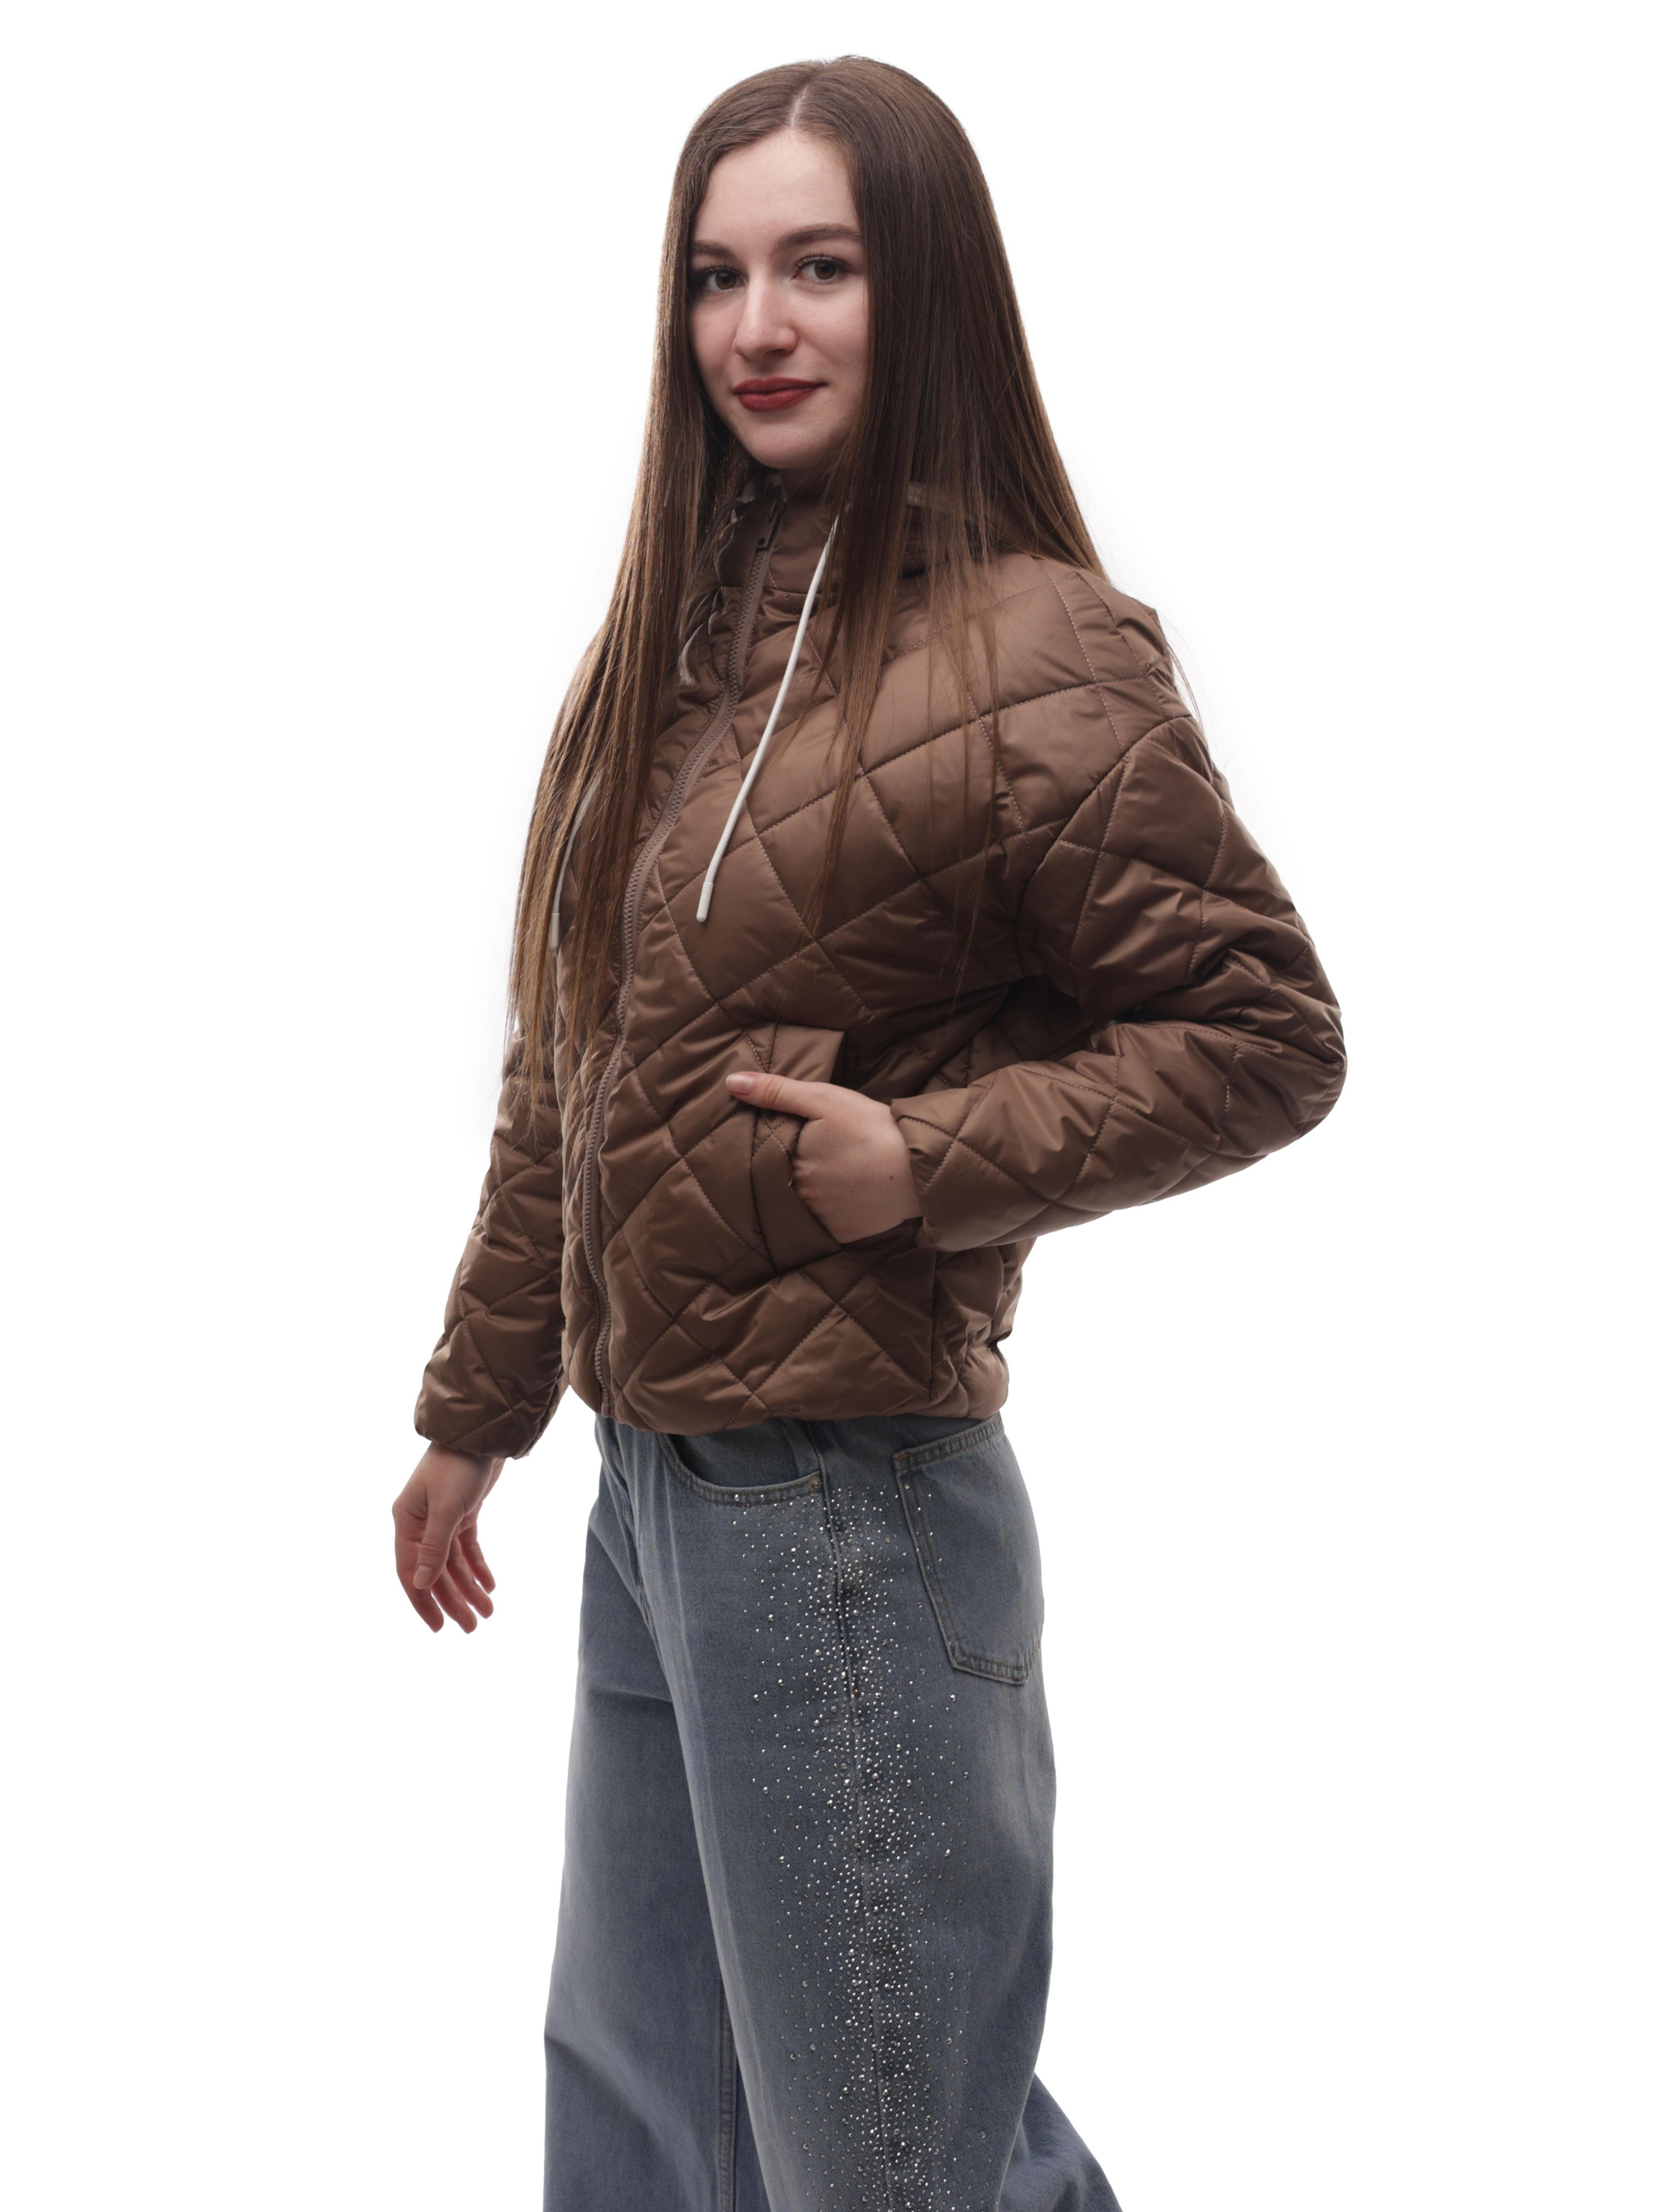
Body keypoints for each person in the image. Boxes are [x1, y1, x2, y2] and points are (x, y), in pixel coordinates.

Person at [392, 55, 1345, 2212]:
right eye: (715, 276)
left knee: (893, 2156)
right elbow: (568, 1070)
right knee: (651, 2128)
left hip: (844, 1508)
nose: (757, 326)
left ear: (924, 288)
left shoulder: (1042, 659)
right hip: (657, 1493)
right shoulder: (660, 658)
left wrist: (927, 1157)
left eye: (817, 267)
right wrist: (477, 1409)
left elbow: (1264, 1034)